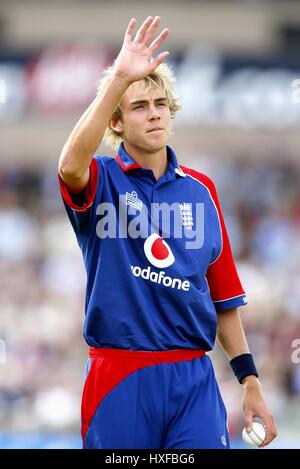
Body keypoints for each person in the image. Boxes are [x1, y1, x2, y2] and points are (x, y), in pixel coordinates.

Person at [58, 16, 277, 449]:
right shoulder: (100, 178)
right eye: (139, 106)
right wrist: (119, 79)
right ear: (117, 122)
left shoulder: (202, 190)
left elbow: (223, 297)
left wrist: (249, 380)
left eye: (161, 103)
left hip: (193, 376)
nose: (155, 113)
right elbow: (68, 166)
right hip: (119, 374)